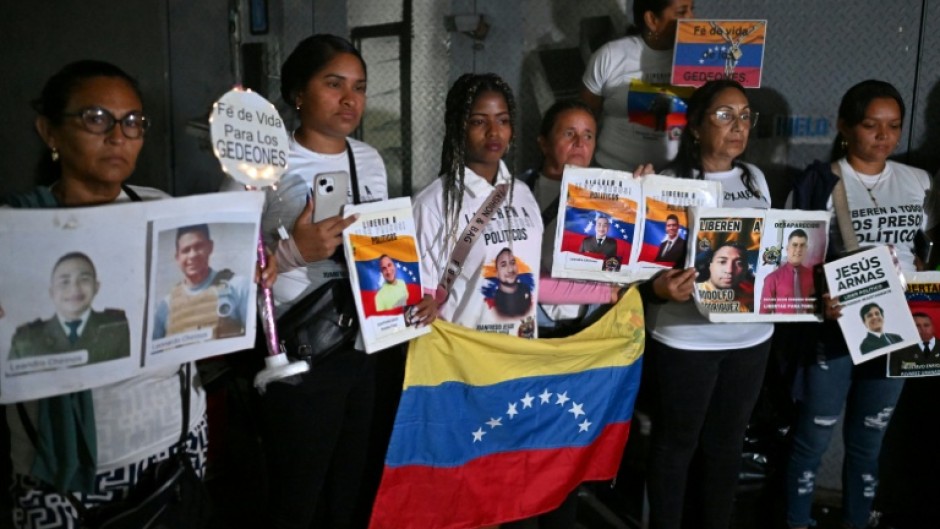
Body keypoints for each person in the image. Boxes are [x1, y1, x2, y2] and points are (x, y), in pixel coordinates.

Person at [0, 60, 254, 529]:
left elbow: (201, 315)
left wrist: (247, 278)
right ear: (49, 131)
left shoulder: (157, 207)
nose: (119, 135)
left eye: (133, 122)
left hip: (175, 446)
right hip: (64, 475)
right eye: (96, 118)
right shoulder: (13, 231)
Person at [253, 34, 435, 529]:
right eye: (334, 85)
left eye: (359, 87)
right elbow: (223, 272)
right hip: (299, 351)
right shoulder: (261, 163)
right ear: (297, 92)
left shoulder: (369, 159)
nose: (350, 99)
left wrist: (417, 289)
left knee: (355, 489)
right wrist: (293, 251)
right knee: (297, 493)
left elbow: (383, 246)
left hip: (367, 346)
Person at [787, 79, 939, 529]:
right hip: (833, 333)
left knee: (868, 444)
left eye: (893, 127)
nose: (883, 137)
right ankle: (796, 522)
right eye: (871, 126)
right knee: (811, 441)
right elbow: (792, 263)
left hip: (901, 331)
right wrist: (819, 299)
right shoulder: (820, 182)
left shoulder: (920, 181)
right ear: (844, 126)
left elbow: (929, 251)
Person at [641, 79, 773, 529]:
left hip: (751, 337)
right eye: (723, 115)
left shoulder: (756, 178)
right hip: (684, 338)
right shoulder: (664, 182)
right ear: (696, 127)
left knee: (727, 444)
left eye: (744, 115)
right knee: (676, 444)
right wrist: (660, 288)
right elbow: (640, 269)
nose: (737, 126)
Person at [580, 0, 695, 170]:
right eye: (681, 12)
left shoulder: (700, 59)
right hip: (612, 175)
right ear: (652, 19)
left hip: (674, 181)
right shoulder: (610, 56)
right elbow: (583, 119)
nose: (691, 18)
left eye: (692, 10)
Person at [9, 252, 130, 365]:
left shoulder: (117, 328)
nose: (75, 288)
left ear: (96, 287)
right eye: (65, 281)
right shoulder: (26, 340)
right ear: (52, 292)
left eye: (84, 279)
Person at [152, 224, 251, 340]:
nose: (193, 255)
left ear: (210, 247)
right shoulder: (164, 307)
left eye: (198, 246)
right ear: (177, 257)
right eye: (185, 250)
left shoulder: (238, 287)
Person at [760, 229, 815, 314]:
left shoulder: (812, 276)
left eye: (802, 245)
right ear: (787, 248)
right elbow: (764, 313)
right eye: (795, 245)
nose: (798, 249)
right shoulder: (772, 279)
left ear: (806, 248)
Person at [493, 248, 533, 318]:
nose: (510, 269)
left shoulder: (526, 289)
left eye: (512, 263)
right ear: (497, 273)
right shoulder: (493, 300)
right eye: (503, 265)